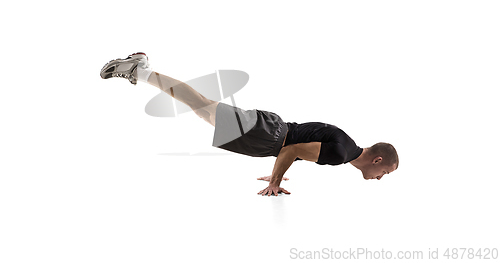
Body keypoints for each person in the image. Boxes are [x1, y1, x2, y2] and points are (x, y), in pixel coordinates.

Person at [100, 52, 399, 196]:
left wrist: (277, 172)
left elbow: (294, 149)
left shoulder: (346, 145)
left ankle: (143, 70)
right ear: (377, 159)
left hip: (269, 132)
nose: (379, 177)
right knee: (200, 104)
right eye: (384, 172)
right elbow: (292, 149)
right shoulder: (341, 154)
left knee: (200, 109)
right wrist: (275, 182)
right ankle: (142, 70)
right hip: (268, 135)